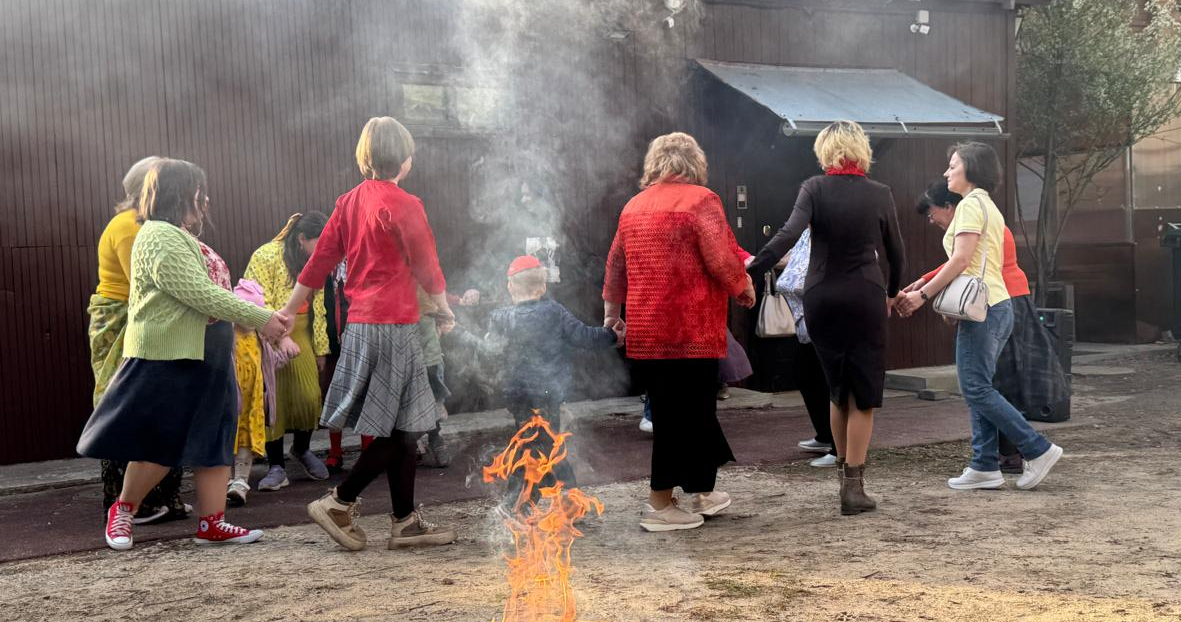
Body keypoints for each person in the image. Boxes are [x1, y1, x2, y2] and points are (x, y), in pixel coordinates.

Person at [77, 158, 290, 550]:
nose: (204, 199)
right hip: (171, 355)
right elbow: (199, 293)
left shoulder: (178, 234)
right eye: (198, 191)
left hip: (209, 352)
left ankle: (213, 523)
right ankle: (123, 510)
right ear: (180, 193)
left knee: (215, 438)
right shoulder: (157, 234)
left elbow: (211, 295)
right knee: (160, 442)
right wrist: (262, 318)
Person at [285, 116, 457, 551]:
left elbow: (318, 263)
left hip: (362, 326)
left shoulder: (348, 202)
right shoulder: (405, 203)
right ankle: (339, 502)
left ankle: (404, 523)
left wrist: (288, 310)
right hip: (394, 328)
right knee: (403, 430)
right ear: (405, 158)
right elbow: (427, 265)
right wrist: (443, 307)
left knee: (405, 428)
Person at [747, 120, 904, 516]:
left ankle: (839, 473)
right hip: (865, 295)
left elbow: (787, 234)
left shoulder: (813, 188)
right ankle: (854, 486)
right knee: (863, 395)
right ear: (861, 150)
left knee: (838, 389)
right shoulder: (880, 193)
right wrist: (892, 293)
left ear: (826, 150)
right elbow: (896, 254)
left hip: (821, 296)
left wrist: (750, 269)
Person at [603, 132, 756, 532]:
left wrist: (611, 313)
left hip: (647, 329)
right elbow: (721, 258)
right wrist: (742, 287)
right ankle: (659, 505)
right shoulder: (701, 200)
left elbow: (615, 264)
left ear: (655, 164)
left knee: (686, 411)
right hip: (692, 330)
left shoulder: (632, 206)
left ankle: (701, 490)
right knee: (683, 415)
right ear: (694, 163)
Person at [896, 144, 1064, 491]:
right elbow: (971, 261)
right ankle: (984, 465)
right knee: (979, 387)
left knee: (975, 387)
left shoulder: (971, 205)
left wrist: (922, 296)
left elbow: (961, 261)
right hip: (995, 304)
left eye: (952, 165)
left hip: (986, 309)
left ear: (970, 168)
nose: (947, 173)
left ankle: (1038, 448)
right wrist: (930, 286)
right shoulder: (986, 204)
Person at [88, 156, 190, 524]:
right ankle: (133, 503)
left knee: (149, 409)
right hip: (126, 322)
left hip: (136, 318)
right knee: (128, 407)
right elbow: (150, 286)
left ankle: (154, 499)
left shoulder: (148, 226)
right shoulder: (131, 227)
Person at [485, 255, 622, 505]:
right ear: (543, 286)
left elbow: (488, 353)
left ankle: (547, 499)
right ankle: (529, 501)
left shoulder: (500, 318)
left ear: (510, 286)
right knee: (541, 444)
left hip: (516, 396)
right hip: (547, 393)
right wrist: (611, 336)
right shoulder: (554, 312)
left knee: (537, 443)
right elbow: (585, 337)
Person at [244, 212, 331, 490]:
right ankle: (276, 466)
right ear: (301, 239)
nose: (323, 248)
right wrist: (279, 337)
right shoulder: (266, 255)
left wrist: (321, 348)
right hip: (268, 332)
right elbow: (257, 300)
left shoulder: (316, 260)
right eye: (318, 242)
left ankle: (302, 449)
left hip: (303, 330)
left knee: (309, 396)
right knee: (274, 402)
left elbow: (320, 306)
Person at [776, 228, 840, 468]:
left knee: (830, 384)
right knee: (805, 374)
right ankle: (824, 434)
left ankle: (839, 447)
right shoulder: (806, 233)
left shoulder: (840, 232)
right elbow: (790, 259)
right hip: (806, 323)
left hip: (830, 319)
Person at [227, 278, 289, 506]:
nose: (250, 320)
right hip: (232, 402)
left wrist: (286, 351)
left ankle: (240, 483)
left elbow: (272, 363)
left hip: (252, 405)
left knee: (245, 443)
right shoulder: (228, 337)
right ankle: (225, 481)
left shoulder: (259, 338)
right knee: (226, 442)